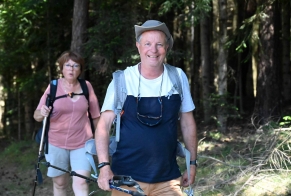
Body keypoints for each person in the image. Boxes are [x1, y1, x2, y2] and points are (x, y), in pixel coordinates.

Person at [95, 20, 197, 196]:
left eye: (159, 44)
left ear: (167, 47)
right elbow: (103, 126)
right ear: (138, 46)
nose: (153, 50)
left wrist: (192, 164)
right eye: (148, 44)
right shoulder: (123, 80)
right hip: (126, 180)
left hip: (168, 179)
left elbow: (188, 124)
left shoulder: (178, 77)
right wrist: (104, 166)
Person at [33, 51, 100, 196]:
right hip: (56, 143)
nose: (71, 69)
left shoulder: (86, 86)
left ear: (80, 70)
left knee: (81, 181)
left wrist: (101, 139)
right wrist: (42, 112)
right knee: (60, 183)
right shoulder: (53, 87)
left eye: (76, 65)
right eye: (67, 65)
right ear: (62, 68)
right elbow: (37, 115)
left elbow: (96, 116)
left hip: (82, 143)